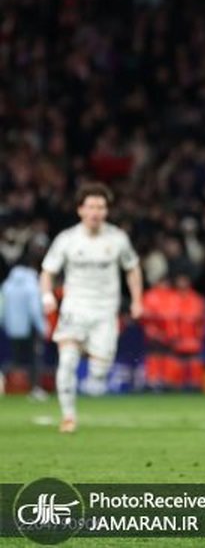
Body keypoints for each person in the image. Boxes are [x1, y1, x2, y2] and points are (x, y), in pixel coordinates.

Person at [40, 183, 143, 433]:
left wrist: (137, 300)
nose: (96, 212)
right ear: (80, 210)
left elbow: (132, 268)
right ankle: (68, 417)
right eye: (91, 207)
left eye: (101, 207)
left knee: (99, 373)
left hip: (106, 311)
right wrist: (46, 295)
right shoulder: (67, 239)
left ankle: (92, 360)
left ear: (107, 211)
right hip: (75, 308)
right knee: (67, 361)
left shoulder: (117, 239)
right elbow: (47, 271)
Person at [2, 248, 47, 396]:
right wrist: (43, 327)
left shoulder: (7, 285)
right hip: (29, 328)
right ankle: (35, 388)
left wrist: (5, 323)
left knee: (14, 358)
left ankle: (8, 387)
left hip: (11, 328)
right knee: (34, 359)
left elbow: (2, 307)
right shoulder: (31, 284)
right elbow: (34, 309)